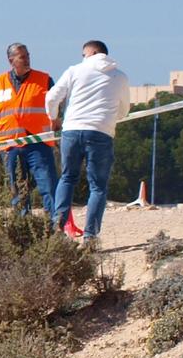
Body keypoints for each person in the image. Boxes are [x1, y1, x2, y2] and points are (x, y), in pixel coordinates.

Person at [46, 41, 131, 241]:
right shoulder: (120, 76)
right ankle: (90, 236)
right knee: (98, 187)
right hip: (101, 133)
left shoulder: (75, 71)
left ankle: (57, 229)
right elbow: (124, 110)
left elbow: (51, 98)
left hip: (72, 130)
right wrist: (110, 119)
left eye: (83, 54)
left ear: (91, 53)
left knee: (67, 178)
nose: (82, 58)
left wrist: (54, 118)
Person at [0, 44, 57, 218]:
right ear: (11, 60)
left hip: (38, 142)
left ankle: (55, 226)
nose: (27, 59)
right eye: (22, 57)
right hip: (10, 146)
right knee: (17, 191)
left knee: (48, 187)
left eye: (27, 55)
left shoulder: (44, 79)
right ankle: (23, 226)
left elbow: (56, 106)